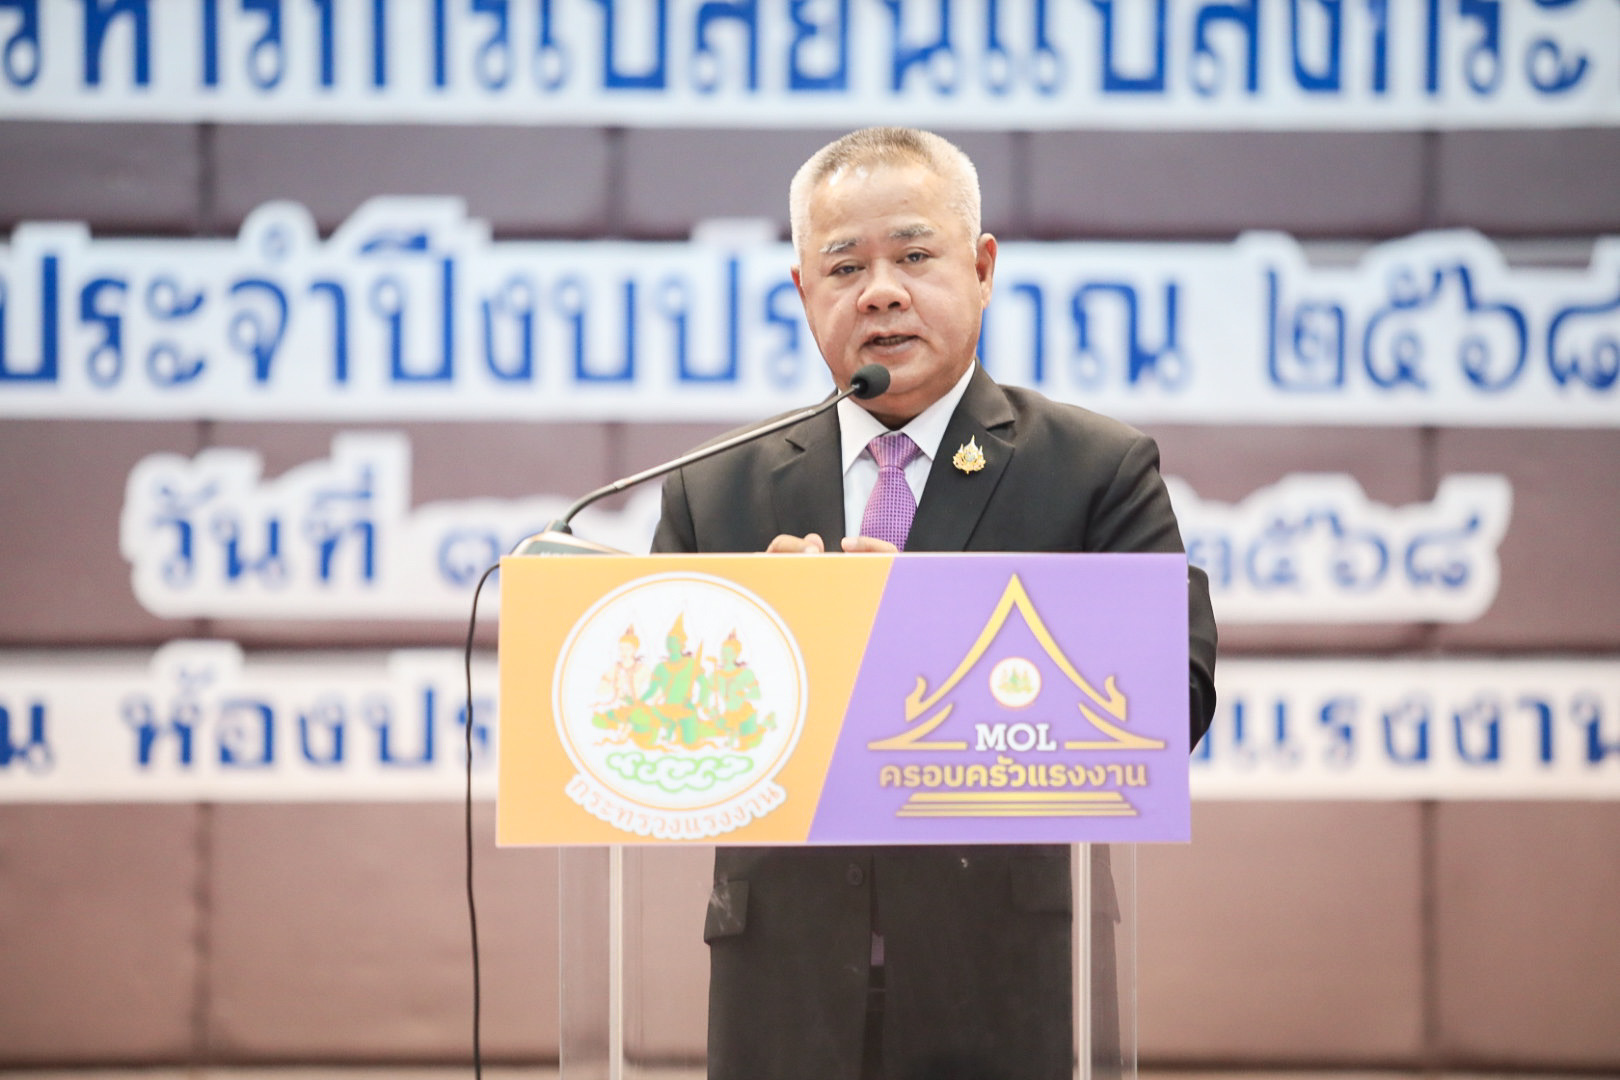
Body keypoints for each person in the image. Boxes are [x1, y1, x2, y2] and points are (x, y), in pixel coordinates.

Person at [652, 128, 1218, 1080]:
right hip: (784, 995)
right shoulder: (714, 489)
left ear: (982, 268)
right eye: (845, 267)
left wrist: (927, 625)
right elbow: (673, 750)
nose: (879, 292)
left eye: (914, 256)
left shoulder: (1094, 470)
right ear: (803, 291)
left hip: (1005, 988)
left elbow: (1174, 700)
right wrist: (765, 652)